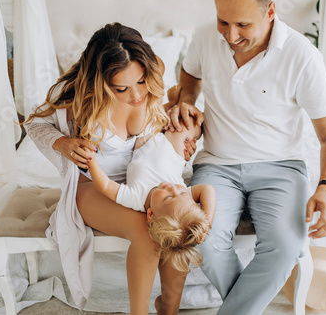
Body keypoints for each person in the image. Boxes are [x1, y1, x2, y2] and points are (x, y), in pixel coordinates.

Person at [166, 0, 326, 314]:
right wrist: (186, 100)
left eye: (243, 25)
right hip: (217, 165)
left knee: (284, 247)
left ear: (271, 11)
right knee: (200, 239)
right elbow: (189, 76)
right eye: (223, 21)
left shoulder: (303, 56)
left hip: (281, 167)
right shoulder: (205, 36)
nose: (230, 35)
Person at [24, 22, 197, 315]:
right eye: (122, 88)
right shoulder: (72, 95)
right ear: (99, 82)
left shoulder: (152, 74)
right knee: (146, 232)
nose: (137, 96)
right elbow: (34, 123)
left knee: (175, 228)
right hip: (92, 187)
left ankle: (169, 308)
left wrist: (174, 143)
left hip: (145, 178)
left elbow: (155, 129)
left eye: (141, 82)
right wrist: (63, 142)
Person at [83, 116, 215, 274]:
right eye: (182, 192)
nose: (173, 189)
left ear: (151, 214)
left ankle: (172, 107)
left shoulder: (136, 198)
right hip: (172, 150)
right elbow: (207, 190)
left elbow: (106, 185)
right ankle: (184, 110)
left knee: (151, 125)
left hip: (143, 144)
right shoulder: (181, 196)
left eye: (168, 197)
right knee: (185, 125)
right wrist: (207, 222)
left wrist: (91, 162)